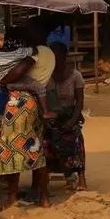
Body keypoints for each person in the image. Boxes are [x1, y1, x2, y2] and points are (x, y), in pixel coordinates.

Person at [0, 26, 55, 208]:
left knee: (13, 149)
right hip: (34, 102)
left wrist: (3, 80)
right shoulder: (48, 53)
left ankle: (12, 196)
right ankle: (43, 197)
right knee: (35, 149)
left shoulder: (35, 53)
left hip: (21, 103)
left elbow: (15, 73)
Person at [44, 42, 87, 191]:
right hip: (51, 118)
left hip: (70, 116)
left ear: (65, 58)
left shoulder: (76, 76)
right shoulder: (46, 77)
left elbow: (79, 103)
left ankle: (81, 179)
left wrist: (72, 121)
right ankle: (43, 179)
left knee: (76, 138)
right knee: (45, 141)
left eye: (59, 58)